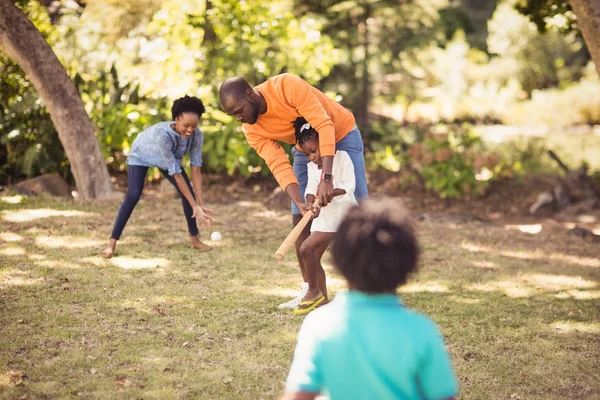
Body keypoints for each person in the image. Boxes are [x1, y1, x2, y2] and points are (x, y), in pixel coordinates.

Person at [283, 198, 459, 400]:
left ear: (341, 263)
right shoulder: (422, 330)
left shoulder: (320, 325)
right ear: (408, 266)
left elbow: (299, 396)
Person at [219, 73, 368, 309]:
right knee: (301, 216)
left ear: (250, 94)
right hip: (305, 147)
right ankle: (312, 290)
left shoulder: (286, 86)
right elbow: (277, 163)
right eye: (233, 115)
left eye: (239, 110)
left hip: (340, 133)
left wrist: (327, 178)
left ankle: (369, 291)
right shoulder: (251, 129)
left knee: (361, 213)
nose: (239, 118)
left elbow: (324, 124)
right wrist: (299, 200)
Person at [101, 95, 213, 258]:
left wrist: (199, 204)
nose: (190, 130)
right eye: (186, 125)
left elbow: (195, 169)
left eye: (194, 126)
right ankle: (111, 244)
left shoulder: (197, 136)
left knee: (188, 194)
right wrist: (194, 204)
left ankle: (195, 240)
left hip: (168, 159)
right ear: (176, 119)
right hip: (142, 154)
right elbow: (176, 173)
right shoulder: (163, 135)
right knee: (133, 195)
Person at [292, 118, 358, 315]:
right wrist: (312, 202)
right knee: (309, 251)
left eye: (314, 150)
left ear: (326, 144)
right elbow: (311, 189)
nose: (312, 157)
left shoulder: (342, 157)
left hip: (344, 216)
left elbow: (348, 185)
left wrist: (330, 193)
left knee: (353, 259)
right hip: (325, 218)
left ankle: (358, 301)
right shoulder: (312, 167)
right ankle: (321, 300)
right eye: (307, 154)